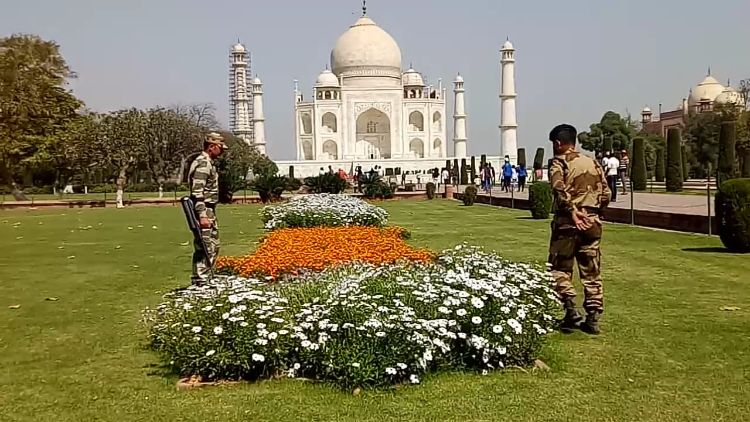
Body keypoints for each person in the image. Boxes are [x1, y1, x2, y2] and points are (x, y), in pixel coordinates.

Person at [547, 124, 611, 335]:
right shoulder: (592, 162)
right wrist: (593, 213)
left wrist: (573, 210)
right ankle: (593, 318)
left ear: (558, 143)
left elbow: (558, 187)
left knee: (560, 268)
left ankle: (571, 309)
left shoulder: (559, 162)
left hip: (568, 222)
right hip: (592, 223)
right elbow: (606, 193)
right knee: (591, 270)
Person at [188, 132, 227, 285]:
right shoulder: (203, 164)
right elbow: (197, 192)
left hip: (209, 209)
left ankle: (204, 277)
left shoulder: (207, 162)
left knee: (212, 245)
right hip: (204, 209)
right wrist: (202, 215)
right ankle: (201, 280)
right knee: (206, 246)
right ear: (211, 147)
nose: (222, 151)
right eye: (220, 148)